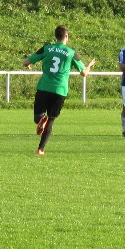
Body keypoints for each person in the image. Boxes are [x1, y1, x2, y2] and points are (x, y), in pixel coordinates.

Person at [23, 25, 95, 156]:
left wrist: (28, 65)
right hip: (60, 90)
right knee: (51, 120)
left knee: (38, 117)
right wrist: (89, 66)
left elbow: (26, 61)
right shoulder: (71, 53)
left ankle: (41, 119)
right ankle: (40, 149)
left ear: (55, 36)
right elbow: (84, 73)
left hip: (44, 87)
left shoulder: (46, 48)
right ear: (66, 36)